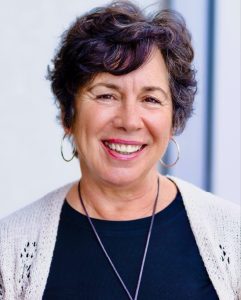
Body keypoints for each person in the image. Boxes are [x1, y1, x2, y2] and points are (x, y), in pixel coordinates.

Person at [0, 1, 240, 299]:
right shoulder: (8, 250)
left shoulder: (234, 238)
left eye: (150, 99)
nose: (128, 121)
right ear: (67, 114)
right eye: (106, 95)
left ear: (174, 119)